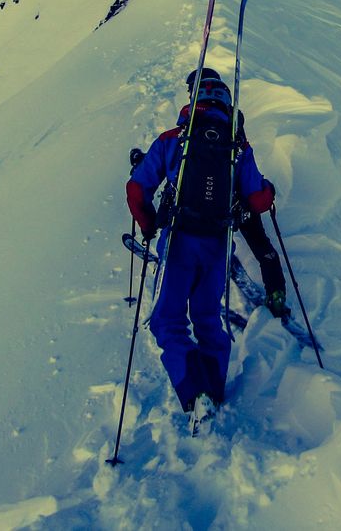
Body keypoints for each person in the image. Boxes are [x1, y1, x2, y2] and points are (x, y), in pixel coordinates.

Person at [126, 69, 275, 424]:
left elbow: (136, 189)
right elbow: (258, 200)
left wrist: (149, 225)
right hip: (217, 244)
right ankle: (214, 388)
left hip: (178, 240)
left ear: (193, 101)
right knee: (208, 317)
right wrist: (267, 188)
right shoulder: (238, 146)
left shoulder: (174, 139)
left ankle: (194, 393)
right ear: (226, 101)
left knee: (167, 319)